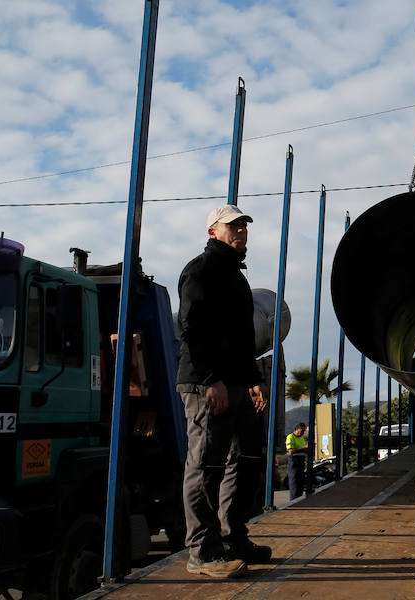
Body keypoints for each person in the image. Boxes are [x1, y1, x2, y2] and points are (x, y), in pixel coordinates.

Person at [177, 204, 271, 578]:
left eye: (244, 226)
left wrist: (254, 379)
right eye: (233, 226)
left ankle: (234, 538)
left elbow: (242, 338)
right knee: (204, 465)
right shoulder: (201, 269)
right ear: (213, 231)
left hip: (236, 383)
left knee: (245, 459)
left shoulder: (235, 276)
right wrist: (210, 379)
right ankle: (202, 551)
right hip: (207, 384)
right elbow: (192, 327)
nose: (241, 232)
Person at [285, 422, 308, 500]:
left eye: (304, 431)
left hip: (301, 460)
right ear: (296, 429)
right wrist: (303, 448)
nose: (303, 433)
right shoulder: (290, 437)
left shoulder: (301, 438)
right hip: (294, 461)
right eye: (302, 431)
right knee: (294, 481)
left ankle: (299, 498)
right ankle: (293, 499)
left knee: (300, 481)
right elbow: (290, 451)